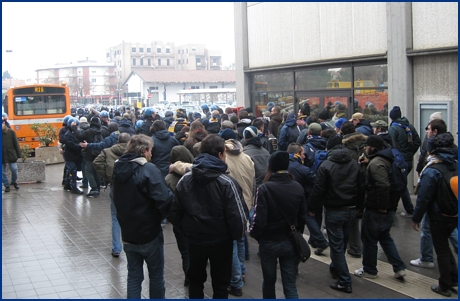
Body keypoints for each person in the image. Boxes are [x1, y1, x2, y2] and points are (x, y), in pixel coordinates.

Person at [169, 134, 248, 299]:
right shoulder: (226, 182)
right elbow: (238, 217)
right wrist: (235, 236)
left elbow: (175, 212)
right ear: (220, 154)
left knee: (195, 282)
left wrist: (187, 230)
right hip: (221, 241)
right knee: (220, 284)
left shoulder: (185, 180)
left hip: (195, 240)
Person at [112, 134, 173, 299]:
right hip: (149, 232)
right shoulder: (148, 169)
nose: (151, 154)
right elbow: (163, 198)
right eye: (150, 151)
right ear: (144, 150)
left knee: (133, 275)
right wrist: (166, 216)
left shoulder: (118, 168)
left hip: (128, 232)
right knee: (156, 275)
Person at [310, 136, 365, 293]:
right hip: (351, 209)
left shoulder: (326, 166)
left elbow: (318, 189)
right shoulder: (355, 164)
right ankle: (335, 268)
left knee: (336, 246)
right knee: (342, 243)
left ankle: (344, 281)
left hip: (334, 210)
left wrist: (313, 207)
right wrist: (359, 207)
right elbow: (362, 187)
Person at [249, 151, 306, 299]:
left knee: (268, 282)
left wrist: (255, 235)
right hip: (290, 240)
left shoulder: (264, 188)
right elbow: (302, 217)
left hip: (269, 241)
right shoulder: (297, 187)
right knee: (290, 284)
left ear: (271, 167)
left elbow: (259, 219)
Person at [354, 135, 407, 280]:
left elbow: (382, 185)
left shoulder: (376, 163)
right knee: (385, 237)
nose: (365, 148)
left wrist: (382, 207)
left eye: (367, 146)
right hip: (390, 208)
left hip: (376, 209)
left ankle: (370, 269)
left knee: (369, 239)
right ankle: (399, 266)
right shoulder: (387, 158)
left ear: (373, 147)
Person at [412, 132, 458, 297]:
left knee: (442, 250)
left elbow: (424, 198)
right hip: (454, 213)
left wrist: (416, 218)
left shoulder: (432, 170)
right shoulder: (455, 164)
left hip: (438, 215)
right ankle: (454, 279)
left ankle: (444, 285)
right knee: (446, 247)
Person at [93, 133, 131, 258]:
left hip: (115, 186)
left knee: (115, 217)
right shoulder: (134, 152)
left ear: (118, 141)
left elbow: (96, 163)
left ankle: (116, 248)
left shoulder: (107, 151)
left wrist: (107, 177)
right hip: (131, 186)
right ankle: (131, 244)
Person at [165, 145, 195, 287]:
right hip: (196, 221)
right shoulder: (196, 173)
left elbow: (168, 204)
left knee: (185, 253)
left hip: (180, 223)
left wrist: (174, 220)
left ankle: (188, 278)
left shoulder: (169, 178)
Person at [388, 106, 421, 217]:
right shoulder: (409, 126)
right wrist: (410, 153)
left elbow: (392, 145)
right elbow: (417, 142)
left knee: (401, 185)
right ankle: (398, 208)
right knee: (402, 184)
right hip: (408, 160)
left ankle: (408, 210)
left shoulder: (393, 128)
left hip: (399, 161)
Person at [2, 118, 21, 192]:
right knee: (2, 172)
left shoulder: (11, 132)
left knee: (14, 169)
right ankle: (6, 185)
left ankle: (14, 181)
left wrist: (19, 154)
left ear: (4, 123)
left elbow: (16, 144)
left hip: (11, 155)